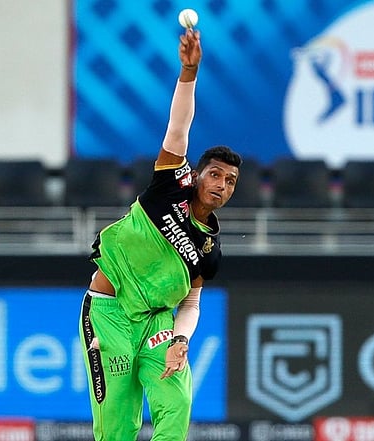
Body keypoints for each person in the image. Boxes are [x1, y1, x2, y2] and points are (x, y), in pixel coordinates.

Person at [79, 28, 241, 441]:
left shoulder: (211, 250)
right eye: (215, 174)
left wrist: (182, 339)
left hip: (157, 323)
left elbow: (191, 302)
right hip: (109, 314)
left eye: (231, 181)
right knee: (118, 422)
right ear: (198, 174)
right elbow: (178, 127)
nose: (222, 184)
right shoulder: (171, 185)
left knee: (177, 401)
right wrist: (189, 72)